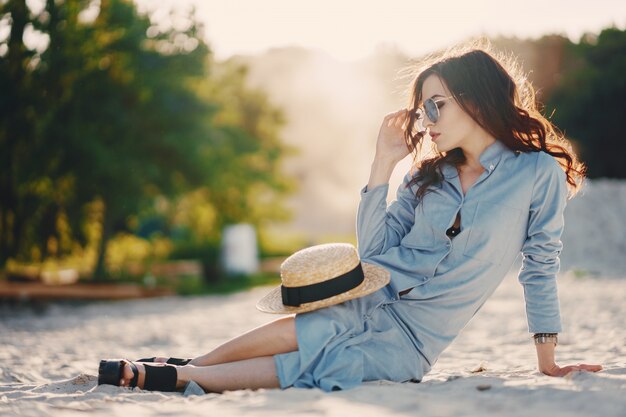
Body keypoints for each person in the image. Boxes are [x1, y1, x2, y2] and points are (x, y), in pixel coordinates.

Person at [97, 43, 603, 393]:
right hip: (371, 298)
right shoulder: (426, 175)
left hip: (412, 341)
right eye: (422, 108)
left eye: (436, 105)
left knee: (320, 363)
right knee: (316, 324)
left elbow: (540, 266)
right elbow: (377, 256)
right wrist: (383, 165)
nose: (426, 120)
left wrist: (548, 362)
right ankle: (191, 366)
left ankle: (183, 379)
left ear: (476, 100)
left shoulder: (536, 173)